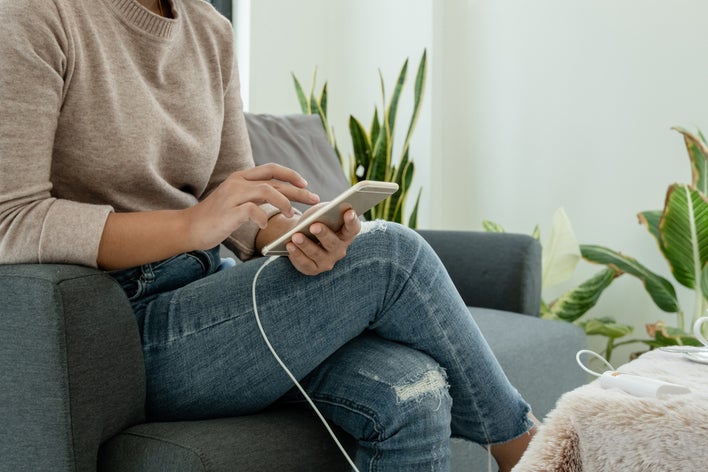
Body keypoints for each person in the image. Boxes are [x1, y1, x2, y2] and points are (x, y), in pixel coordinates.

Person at [0, 0, 538, 470]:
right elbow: (13, 220)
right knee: (391, 253)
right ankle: (536, 455)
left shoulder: (209, 29)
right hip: (120, 327)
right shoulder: (35, 15)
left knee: (413, 389)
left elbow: (232, 199)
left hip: (214, 296)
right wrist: (191, 225)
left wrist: (292, 233)